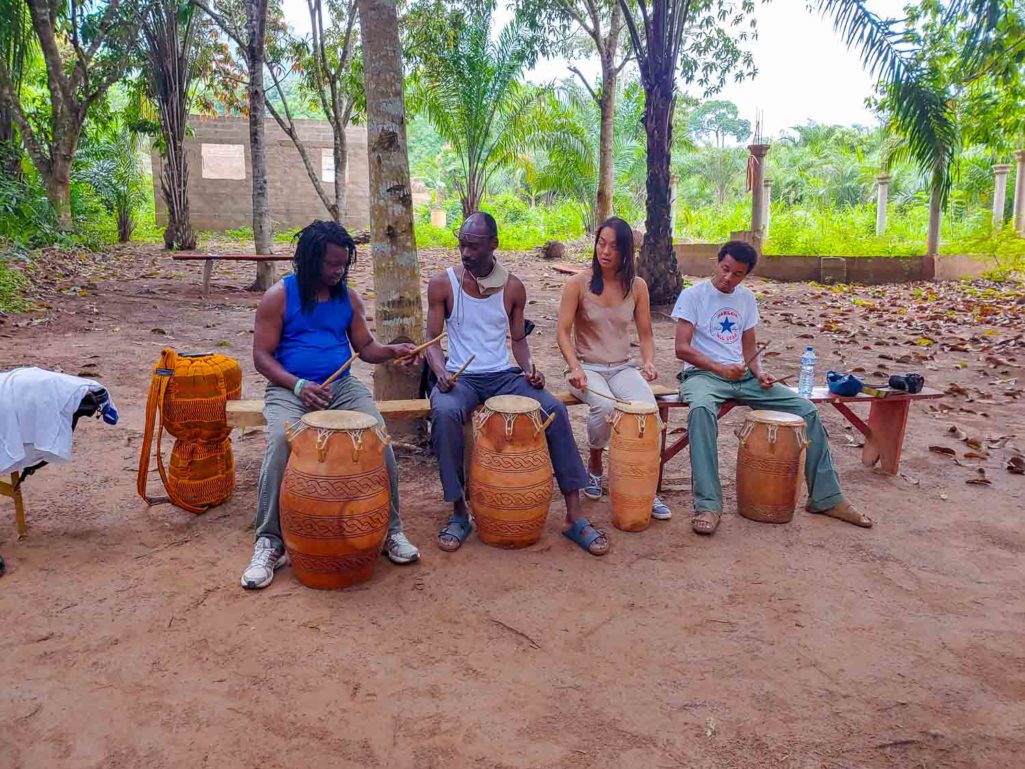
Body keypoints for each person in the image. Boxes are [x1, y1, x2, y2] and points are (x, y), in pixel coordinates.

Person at [241, 220, 421, 590]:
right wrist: (299, 385)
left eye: (344, 264)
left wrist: (393, 352)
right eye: (331, 265)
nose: (339, 271)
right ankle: (269, 542)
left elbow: (366, 348)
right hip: (289, 388)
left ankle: (391, 530)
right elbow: (261, 357)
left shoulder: (348, 298)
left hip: (340, 387)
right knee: (279, 443)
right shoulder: (279, 296)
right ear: (309, 260)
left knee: (378, 438)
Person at [425, 212, 609, 556]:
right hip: (460, 378)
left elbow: (519, 341)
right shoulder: (442, 284)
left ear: (494, 245)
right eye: (462, 244)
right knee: (446, 412)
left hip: (501, 374)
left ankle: (574, 516)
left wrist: (529, 370)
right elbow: (432, 341)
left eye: (474, 246)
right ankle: (459, 512)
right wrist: (440, 371)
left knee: (552, 409)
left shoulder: (512, 288)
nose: (465, 252)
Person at [672, 239, 872, 536]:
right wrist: (719, 368)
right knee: (701, 410)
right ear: (717, 262)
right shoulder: (693, 295)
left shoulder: (746, 300)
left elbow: (749, 346)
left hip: (743, 378)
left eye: (737, 273)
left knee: (806, 411)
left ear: (747, 274)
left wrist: (760, 372)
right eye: (725, 269)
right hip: (703, 376)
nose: (729, 278)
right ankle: (708, 504)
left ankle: (827, 498)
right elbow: (681, 349)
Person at [556, 216, 671, 520]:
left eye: (614, 246)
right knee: (605, 405)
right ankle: (595, 464)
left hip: (622, 367)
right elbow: (562, 332)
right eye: (601, 243)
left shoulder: (637, 287)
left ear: (626, 252)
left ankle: (646, 488)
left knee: (647, 412)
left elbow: (646, 334)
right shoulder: (577, 283)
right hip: (586, 368)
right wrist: (575, 367)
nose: (605, 251)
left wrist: (648, 362)